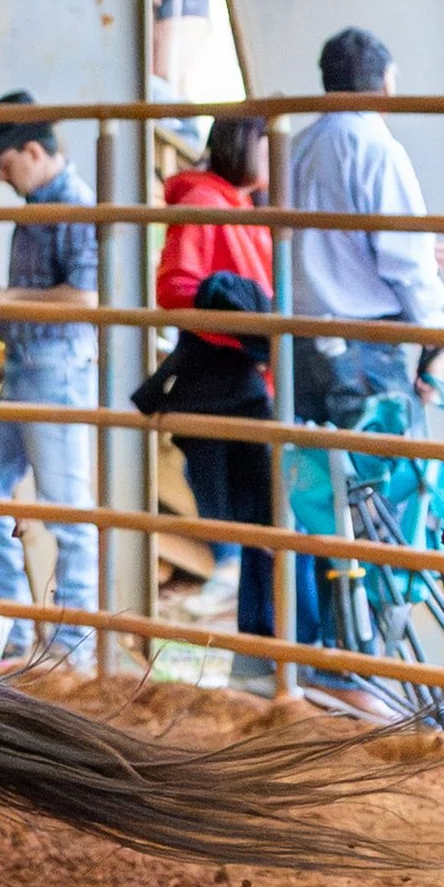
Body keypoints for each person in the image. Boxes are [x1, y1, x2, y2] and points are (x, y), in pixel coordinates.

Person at [0, 91, 100, 665]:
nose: (2, 172)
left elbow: (85, 297)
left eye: (6, 161)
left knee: (65, 506)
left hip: (54, 369)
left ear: (34, 151)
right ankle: (19, 632)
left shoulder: (69, 207)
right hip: (30, 368)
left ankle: (72, 647)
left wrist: (7, 298)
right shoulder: (43, 203)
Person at [287, 27, 444, 436]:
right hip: (365, 345)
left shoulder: (295, 147)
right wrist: (436, 336)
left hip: (302, 341)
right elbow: (406, 258)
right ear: (385, 84)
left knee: (317, 486)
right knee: (388, 484)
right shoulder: (377, 148)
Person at [137, 115, 271, 623]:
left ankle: (244, 602)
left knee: (249, 491)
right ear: (243, 146)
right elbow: (175, 287)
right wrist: (236, 313)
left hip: (239, 366)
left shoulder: (243, 204)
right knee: (251, 493)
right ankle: (233, 578)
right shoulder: (206, 203)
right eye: (265, 145)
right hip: (223, 367)